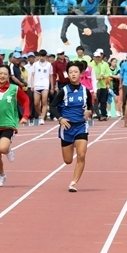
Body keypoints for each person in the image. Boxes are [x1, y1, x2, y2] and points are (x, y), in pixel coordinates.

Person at [0, 65, 30, 186]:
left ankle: (7, 149)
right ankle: (2, 176)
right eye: (0, 73)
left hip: (8, 124)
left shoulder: (14, 89)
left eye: (5, 74)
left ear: (8, 76)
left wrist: (25, 116)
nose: (2, 76)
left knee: (2, 148)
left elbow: (26, 100)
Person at [49, 61, 94, 192]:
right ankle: (72, 143)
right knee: (68, 160)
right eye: (71, 72)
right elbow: (52, 106)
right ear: (67, 75)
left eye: (76, 72)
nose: (73, 74)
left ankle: (73, 183)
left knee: (81, 155)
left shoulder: (86, 91)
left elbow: (91, 106)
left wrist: (89, 112)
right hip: (67, 128)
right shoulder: (64, 91)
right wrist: (60, 118)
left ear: (80, 74)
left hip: (81, 126)